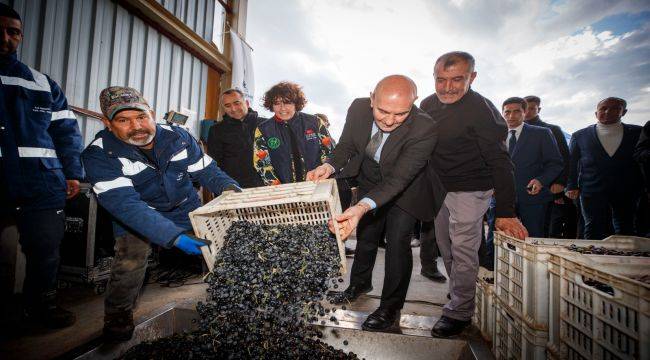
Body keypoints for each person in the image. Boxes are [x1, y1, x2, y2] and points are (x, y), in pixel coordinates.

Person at [81, 86, 240, 341]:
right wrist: (173, 237)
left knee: (223, 247)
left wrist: (230, 188)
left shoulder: (178, 137)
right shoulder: (99, 155)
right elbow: (126, 205)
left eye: (142, 117)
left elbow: (206, 170)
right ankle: (118, 314)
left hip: (183, 206)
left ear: (152, 114)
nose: (137, 126)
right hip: (139, 214)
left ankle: (237, 301)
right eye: (124, 120)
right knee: (131, 258)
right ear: (107, 123)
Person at [307, 75, 445, 332]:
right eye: (383, 111)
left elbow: (399, 179)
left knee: (397, 241)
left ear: (413, 103)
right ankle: (359, 284)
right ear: (372, 98)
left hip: (406, 189)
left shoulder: (425, 128)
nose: (390, 120)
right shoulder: (358, 108)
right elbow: (347, 145)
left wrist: (360, 207)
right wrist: (329, 165)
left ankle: (390, 307)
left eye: (401, 113)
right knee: (367, 236)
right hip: (371, 179)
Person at [420, 51, 528, 337]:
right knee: (446, 246)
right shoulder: (428, 104)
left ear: (472, 77)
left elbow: (501, 161)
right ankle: (460, 291)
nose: (448, 87)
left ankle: (460, 311)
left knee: (464, 248)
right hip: (439, 188)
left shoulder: (482, 110)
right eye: (441, 80)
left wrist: (506, 210)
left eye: (457, 79)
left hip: (472, 188)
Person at [0, 4, 83, 329]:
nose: (6, 38)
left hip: (42, 183)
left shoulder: (41, 83)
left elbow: (65, 130)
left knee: (46, 250)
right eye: (1, 29)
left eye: (13, 31)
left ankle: (42, 308)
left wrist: (73, 172)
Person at [566, 97, 644, 239]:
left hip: (627, 189)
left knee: (626, 226)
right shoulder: (580, 135)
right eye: (603, 108)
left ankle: (623, 259)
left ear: (624, 112)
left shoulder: (637, 133)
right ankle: (590, 260)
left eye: (614, 108)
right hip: (591, 188)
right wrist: (571, 185)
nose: (607, 112)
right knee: (592, 226)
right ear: (596, 113)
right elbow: (571, 163)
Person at [501, 97, 563, 236]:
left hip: (533, 198)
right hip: (501, 199)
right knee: (496, 241)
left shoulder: (541, 133)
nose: (511, 116)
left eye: (517, 111)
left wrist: (541, 180)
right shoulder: (494, 135)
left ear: (524, 112)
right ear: (502, 113)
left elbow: (555, 163)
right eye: (507, 112)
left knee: (534, 238)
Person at [253, 82, 334, 185]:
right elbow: (262, 164)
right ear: (271, 105)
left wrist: (321, 177)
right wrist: (278, 188)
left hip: (317, 185)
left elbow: (330, 152)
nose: (282, 108)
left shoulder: (315, 122)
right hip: (284, 192)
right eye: (277, 103)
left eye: (287, 102)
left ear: (296, 103)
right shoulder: (263, 129)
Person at [524, 95, 575, 238]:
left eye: (532, 108)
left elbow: (564, 159)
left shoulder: (552, 130)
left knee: (544, 229)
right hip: (518, 188)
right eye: (524, 108)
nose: (527, 112)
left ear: (538, 109)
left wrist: (560, 183)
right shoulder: (511, 130)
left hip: (545, 187)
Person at [206, 88, 263, 188]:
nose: (233, 109)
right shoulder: (216, 130)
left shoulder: (265, 125)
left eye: (237, 103)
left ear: (247, 103)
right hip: (235, 188)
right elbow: (214, 163)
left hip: (266, 186)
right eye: (227, 106)